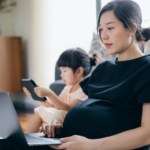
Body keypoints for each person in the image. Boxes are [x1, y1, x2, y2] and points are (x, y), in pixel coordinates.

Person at [39, 0, 150, 150]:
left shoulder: (146, 68)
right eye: (100, 29)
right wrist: (61, 130)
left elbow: (147, 134)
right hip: (69, 142)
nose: (103, 36)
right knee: (10, 143)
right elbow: (92, 110)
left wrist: (90, 145)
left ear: (131, 29)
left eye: (110, 28)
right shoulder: (104, 67)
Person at [23, 47, 102, 134]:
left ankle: (31, 140)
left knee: (56, 114)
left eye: (64, 71)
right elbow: (54, 106)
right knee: (42, 110)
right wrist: (38, 95)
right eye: (60, 71)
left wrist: (49, 93)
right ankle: (28, 139)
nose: (61, 75)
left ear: (79, 71)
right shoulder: (67, 88)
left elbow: (70, 109)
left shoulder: (84, 90)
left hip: (72, 122)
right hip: (61, 120)